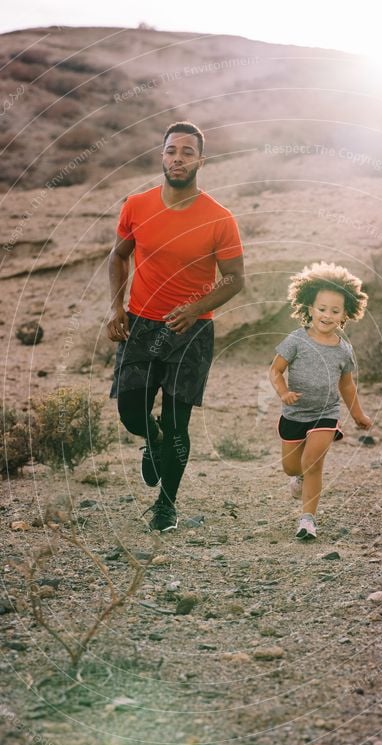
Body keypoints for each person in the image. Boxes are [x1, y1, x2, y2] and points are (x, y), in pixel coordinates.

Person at [107, 121, 244, 531]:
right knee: (131, 411)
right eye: (171, 151)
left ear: (201, 160)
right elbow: (118, 256)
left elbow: (236, 279)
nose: (178, 159)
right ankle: (152, 441)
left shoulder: (220, 218)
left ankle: (166, 505)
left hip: (192, 330)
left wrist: (196, 308)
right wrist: (117, 309)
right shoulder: (137, 205)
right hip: (141, 325)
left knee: (177, 422)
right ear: (161, 156)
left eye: (187, 152)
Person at [269, 261, 372, 540]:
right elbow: (275, 370)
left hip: (326, 413)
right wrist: (284, 393)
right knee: (292, 467)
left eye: (335, 311)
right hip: (294, 413)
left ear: (345, 314)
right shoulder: (296, 340)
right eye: (322, 309)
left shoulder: (343, 350)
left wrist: (359, 415)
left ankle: (307, 520)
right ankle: (298, 478)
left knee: (313, 463)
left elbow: (347, 385)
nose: (327, 315)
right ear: (309, 308)